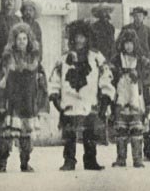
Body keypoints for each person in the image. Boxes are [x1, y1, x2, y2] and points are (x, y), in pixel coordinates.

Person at [48, 19, 115, 171]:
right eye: (76, 37)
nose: (79, 40)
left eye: (82, 37)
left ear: (88, 38)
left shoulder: (96, 57)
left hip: (89, 100)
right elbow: (55, 77)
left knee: (90, 133)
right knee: (69, 133)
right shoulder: (64, 59)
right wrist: (54, 95)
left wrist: (105, 95)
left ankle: (90, 160)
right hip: (69, 101)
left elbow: (106, 76)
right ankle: (69, 160)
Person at [0, 23, 46, 173]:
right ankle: (2, 163)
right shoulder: (6, 60)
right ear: (14, 41)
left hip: (28, 100)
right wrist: (0, 101)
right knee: (6, 134)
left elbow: (41, 82)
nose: (22, 42)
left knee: (26, 134)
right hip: (12, 101)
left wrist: (39, 99)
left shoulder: (35, 60)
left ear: (29, 41)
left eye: (24, 39)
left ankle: (25, 163)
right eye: (19, 39)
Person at [110, 29, 150, 168]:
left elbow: (146, 81)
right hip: (121, 97)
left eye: (131, 43)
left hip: (135, 98)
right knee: (121, 129)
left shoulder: (141, 60)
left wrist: (148, 100)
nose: (128, 46)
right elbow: (110, 79)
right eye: (126, 43)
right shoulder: (116, 59)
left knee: (136, 129)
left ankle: (137, 158)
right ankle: (121, 157)